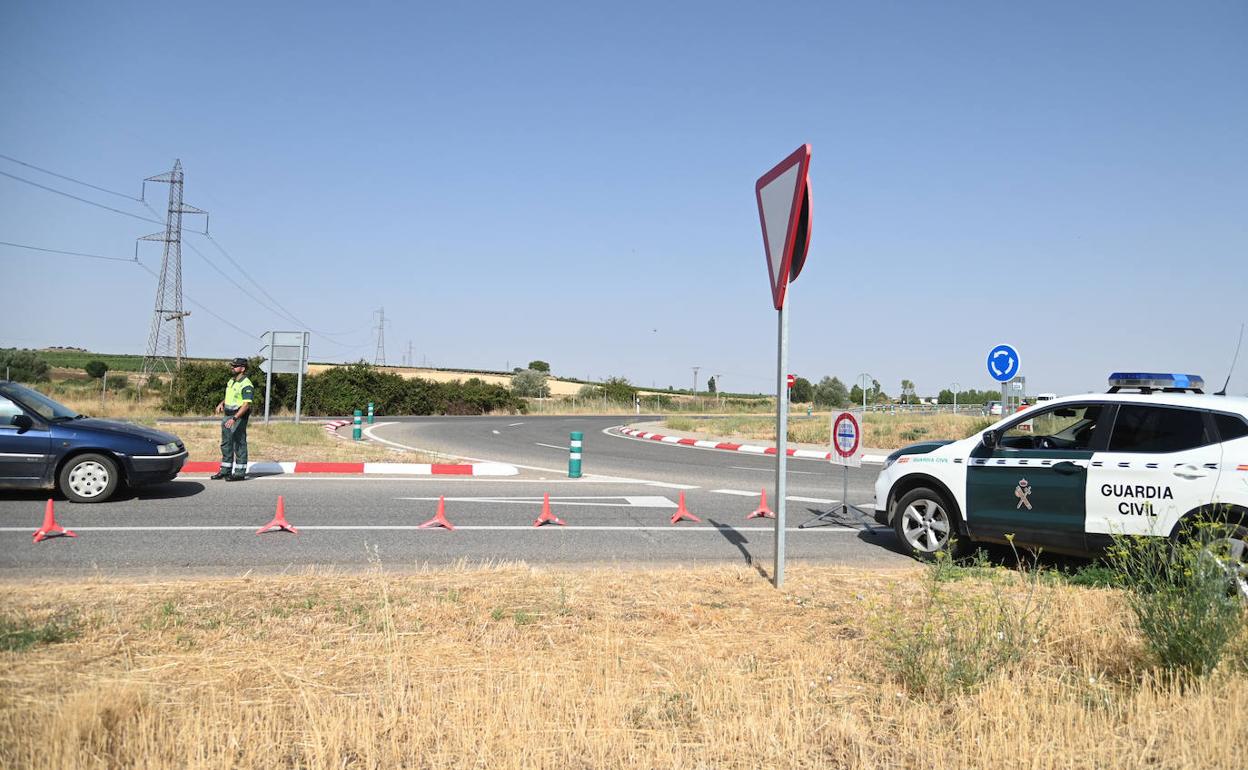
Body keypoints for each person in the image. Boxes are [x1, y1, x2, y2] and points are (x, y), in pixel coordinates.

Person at [212, 357, 254, 481]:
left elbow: (246, 405)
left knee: (239, 443)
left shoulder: (246, 384)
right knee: (226, 443)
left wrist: (235, 418)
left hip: (238, 417)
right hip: (227, 415)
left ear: (243, 368)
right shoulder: (231, 381)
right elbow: (230, 396)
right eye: (232, 366)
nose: (232, 368)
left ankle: (240, 473)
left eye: (235, 366)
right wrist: (222, 403)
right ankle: (225, 470)